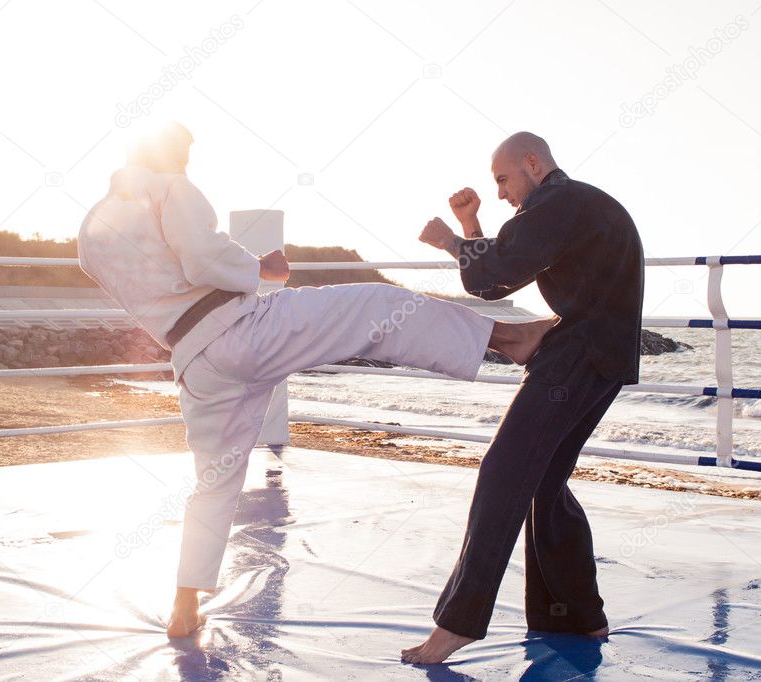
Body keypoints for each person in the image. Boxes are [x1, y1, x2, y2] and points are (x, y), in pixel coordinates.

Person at [76, 122, 558, 638]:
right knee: (378, 306)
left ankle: (184, 604)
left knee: (214, 483)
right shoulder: (168, 186)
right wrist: (261, 267)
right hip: (243, 331)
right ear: (165, 149)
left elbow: (155, 275)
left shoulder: (91, 232)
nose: (188, 162)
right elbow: (202, 258)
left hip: (193, 361)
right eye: (186, 152)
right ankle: (510, 339)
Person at [403, 131, 644, 664]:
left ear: (533, 163)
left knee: (503, 471)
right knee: (545, 484)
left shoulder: (557, 202)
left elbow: (492, 277)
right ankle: (577, 617)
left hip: (577, 355)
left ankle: (457, 625)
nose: (503, 193)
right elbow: (495, 277)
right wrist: (470, 227)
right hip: (602, 356)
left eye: (504, 180)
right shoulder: (579, 204)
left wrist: (450, 239)